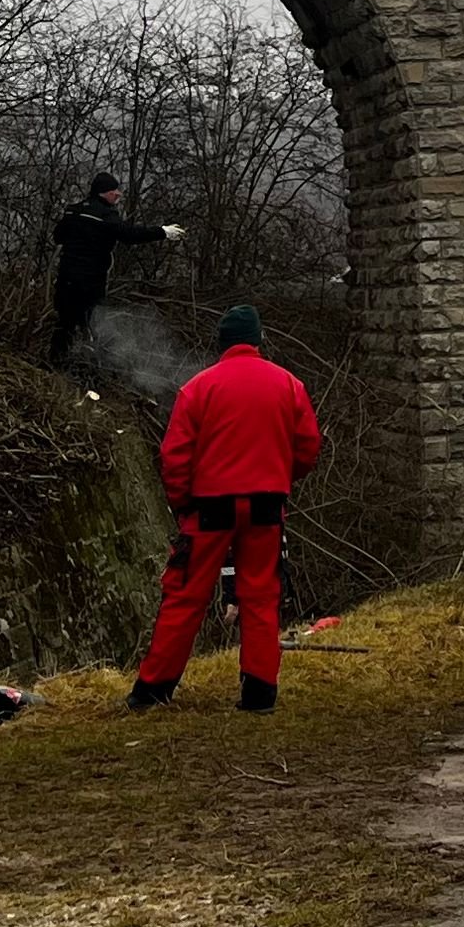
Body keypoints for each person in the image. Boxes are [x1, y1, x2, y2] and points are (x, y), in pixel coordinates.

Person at [127, 305, 323, 712]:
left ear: (221, 343)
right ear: (258, 339)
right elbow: (308, 448)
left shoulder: (198, 388)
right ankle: (259, 693)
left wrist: (183, 505)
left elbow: (174, 458)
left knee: (184, 596)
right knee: (261, 596)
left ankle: (153, 690)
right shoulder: (288, 384)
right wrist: (279, 478)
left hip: (209, 507)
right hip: (267, 504)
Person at [49, 172, 180, 369]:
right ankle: (87, 368)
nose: (118, 195)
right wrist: (162, 232)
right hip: (90, 282)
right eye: (114, 191)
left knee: (65, 323)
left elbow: (57, 237)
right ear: (104, 193)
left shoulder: (72, 211)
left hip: (66, 277)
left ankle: (55, 364)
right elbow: (130, 235)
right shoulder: (106, 216)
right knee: (91, 325)